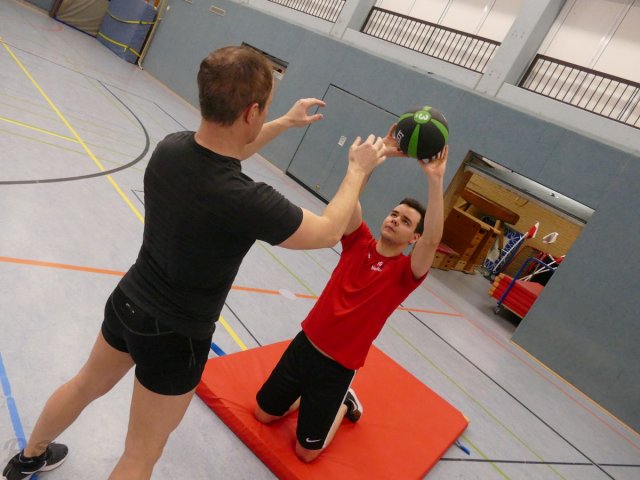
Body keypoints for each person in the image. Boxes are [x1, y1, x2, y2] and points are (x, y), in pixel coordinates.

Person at [2, 46, 389, 480]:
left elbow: (228, 150)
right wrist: (357, 171)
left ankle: (28, 458)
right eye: (266, 110)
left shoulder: (170, 149)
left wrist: (284, 122)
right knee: (140, 454)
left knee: (83, 386)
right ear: (252, 111)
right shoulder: (246, 200)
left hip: (128, 302)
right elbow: (330, 231)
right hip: (177, 337)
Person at [255, 142, 449, 463]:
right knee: (263, 414)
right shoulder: (358, 241)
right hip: (304, 346)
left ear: (414, 238)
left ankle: (344, 403)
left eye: (406, 222)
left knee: (306, 453)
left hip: (336, 368)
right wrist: (374, 156)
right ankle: (308, 397)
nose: (395, 220)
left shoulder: (405, 273)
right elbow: (351, 197)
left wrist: (435, 179)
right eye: (394, 214)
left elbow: (433, 240)